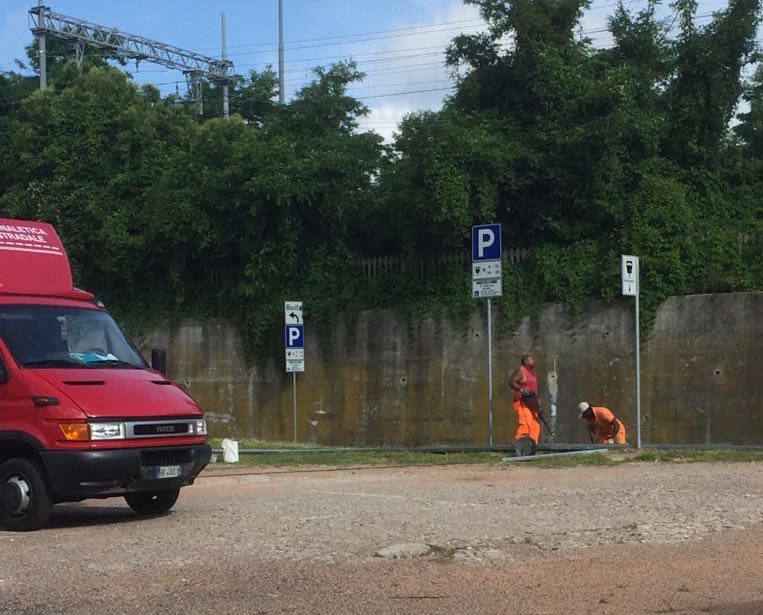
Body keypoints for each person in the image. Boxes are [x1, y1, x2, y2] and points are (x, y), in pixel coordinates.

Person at [509, 355, 543, 456]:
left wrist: (538, 402)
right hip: (522, 401)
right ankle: (518, 446)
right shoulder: (521, 371)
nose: (534, 360)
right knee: (526, 423)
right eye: (531, 359)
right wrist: (521, 390)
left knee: (535, 426)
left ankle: (531, 448)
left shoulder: (532, 373)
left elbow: (533, 390)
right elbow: (511, 382)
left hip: (531, 402)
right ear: (525, 361)